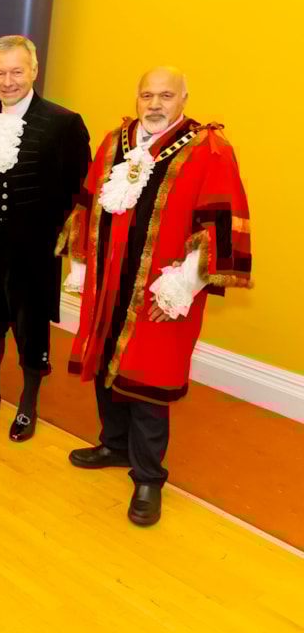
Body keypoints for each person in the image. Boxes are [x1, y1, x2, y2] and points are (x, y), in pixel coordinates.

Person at [64, 67, 252, 526]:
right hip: (109, 282)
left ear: (184, 98)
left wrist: (184, 284)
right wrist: (81, 263)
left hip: (163, 287)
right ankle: (113, 444)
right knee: (107, 359)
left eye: (165, 95)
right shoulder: (115, 141)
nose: (154, 104)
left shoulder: (209, 149)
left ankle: (148, 476)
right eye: (147, 94)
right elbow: (89, 200)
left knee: (149, 379)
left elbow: (221, 220)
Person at [0, 35, 91, 441]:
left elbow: (77, 192)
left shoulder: (64, 123)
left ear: (34, 70)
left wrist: (65, 245)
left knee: (31, 323)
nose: (8, 80)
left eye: (16, 71)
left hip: (34, 247)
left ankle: (28, 404)